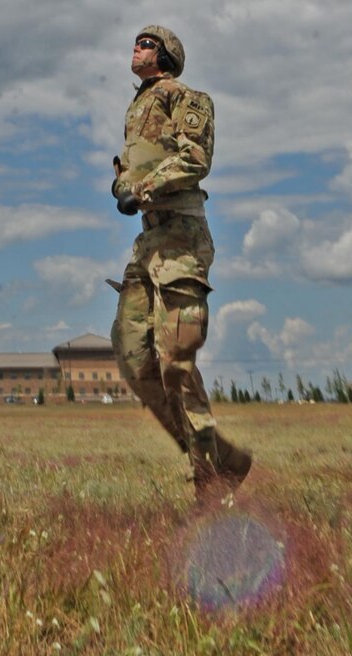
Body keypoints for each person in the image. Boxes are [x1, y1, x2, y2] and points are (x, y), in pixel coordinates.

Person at [110, 25, 252, 495]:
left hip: (181, 239)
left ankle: (209, 481)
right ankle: (222, 458)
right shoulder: (136, 109)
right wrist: (122, 187)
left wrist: (144, 188)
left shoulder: (187, 98)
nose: (137, 46)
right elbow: (125, 172)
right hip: (146, 244)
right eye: (137, 40)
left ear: (168, 55)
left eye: (148, 42)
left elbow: (195, 157)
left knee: (176, 361)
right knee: (134, 359)